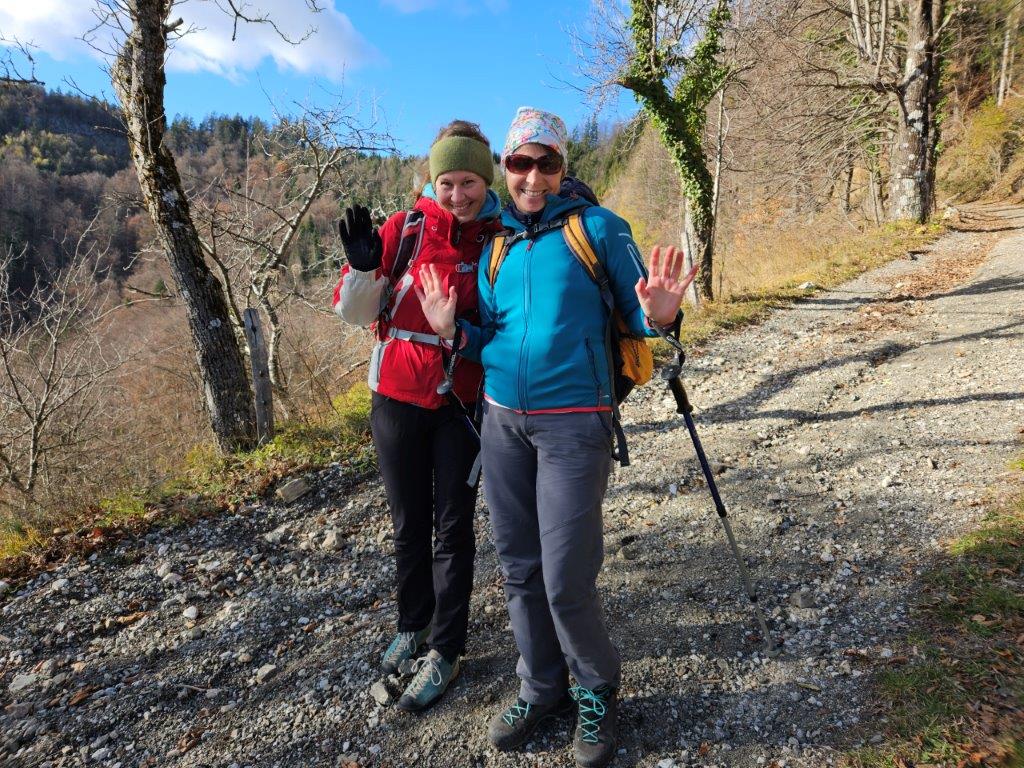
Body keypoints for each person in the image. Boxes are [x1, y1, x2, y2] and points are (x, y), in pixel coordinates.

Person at [417, 107, 695, 767]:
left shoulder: (598, 229)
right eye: (521, 163)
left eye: (546, 163)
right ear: (505, 169)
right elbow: (492, 333)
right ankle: (541, 687)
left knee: (567, 575)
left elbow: (641, 316)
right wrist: (452, 331)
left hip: (575, 424)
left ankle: (595, 689)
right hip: (502, 423)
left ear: (563, 167)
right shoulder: (497, 245)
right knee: (519, 568)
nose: (533, 176)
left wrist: (661, 316)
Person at [332, 120, 503, 712]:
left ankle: (446, 650)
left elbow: (506, 324)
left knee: (454, 529)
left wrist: (457, 331)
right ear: (433, 181)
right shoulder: (404, 229)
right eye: (447, 182)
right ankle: (414, 623)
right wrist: (362, 269)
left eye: (470, 182)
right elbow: (356, 314)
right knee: (408, 523)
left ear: (487, 180)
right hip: (397, 397)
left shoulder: (500, 239)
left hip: (461, 402)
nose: (458, 194)